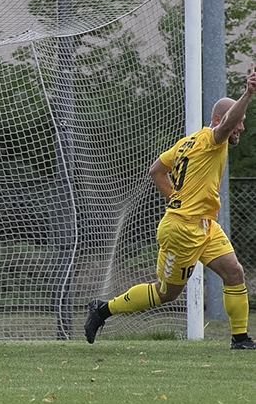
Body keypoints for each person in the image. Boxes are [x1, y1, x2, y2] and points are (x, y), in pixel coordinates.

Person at [85, 65, 256, 350]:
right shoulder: (213, 140)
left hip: (204, 224)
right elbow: (227, 125)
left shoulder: (186, 143)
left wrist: (176, 196)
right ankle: (102, 310)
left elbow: (157, 170)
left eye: (242, 121)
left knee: (234, 273)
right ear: (218, 119)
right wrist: (248, 93)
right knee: (167, 294)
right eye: (238, 122)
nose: (241, 126)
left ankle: (240, 339)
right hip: (182, 230)